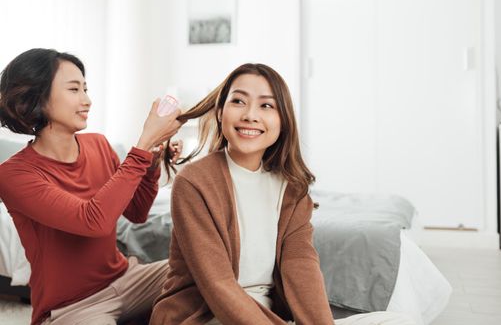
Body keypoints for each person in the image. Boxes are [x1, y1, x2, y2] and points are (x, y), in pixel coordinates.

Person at [150, 63, 415, 324]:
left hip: (269, 316)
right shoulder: (193, 183)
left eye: (266, 105)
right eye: (239, 102)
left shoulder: (292, 188)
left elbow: (301, 266)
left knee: (400, 321)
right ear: (220, 112)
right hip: (209, 316)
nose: (250, 115)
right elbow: (218, 284)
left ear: (282, 120)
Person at [0, 48, 183, 325]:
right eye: (74, 90)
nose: (87, 100)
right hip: (71, 307)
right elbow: (92, 221)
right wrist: (142, 146)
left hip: (128, 279)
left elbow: (137, 213)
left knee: (199, 271)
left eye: (86, 89)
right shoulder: (13, 174)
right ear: (36, 97)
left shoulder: (98, 143)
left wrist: (152, 163)